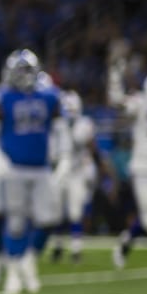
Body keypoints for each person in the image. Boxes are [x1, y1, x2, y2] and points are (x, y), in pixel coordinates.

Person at [0, 49, 61, 294]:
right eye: (19, 71)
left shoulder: (50, 96)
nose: (23, 75)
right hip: (15, 166)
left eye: (27, 70)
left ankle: (28, 259)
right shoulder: (2, 98)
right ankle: (12, 273)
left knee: (48, 219)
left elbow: (57, 127)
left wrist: (58, 153)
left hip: (41, 166)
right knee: (16, 222)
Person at [108, 67, 147, 276]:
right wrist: (115, 76)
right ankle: (126, 241)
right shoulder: (140, 103)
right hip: (144, 168)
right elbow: (117, 101)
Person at [49, 90, 102, 264]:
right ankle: (57, 246)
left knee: (75, 212)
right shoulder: (56, 125)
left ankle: (76, 249)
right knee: (56, 211)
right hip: (60, 170)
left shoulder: (85, 124)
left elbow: (87, 144)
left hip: (77, 172)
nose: (70, 113)